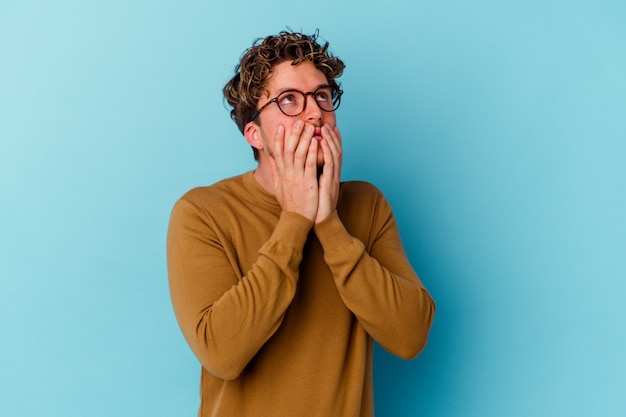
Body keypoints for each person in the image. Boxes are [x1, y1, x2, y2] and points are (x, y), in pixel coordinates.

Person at [166, 30, 435, 417]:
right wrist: (295, 220)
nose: (315, 113)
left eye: (322, 96)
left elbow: (410, 336)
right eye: (289, 99)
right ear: (254, 135)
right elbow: (221, 353)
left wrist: (328, 222)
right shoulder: (202, 212)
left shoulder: (366, 205)